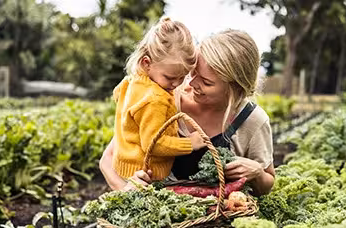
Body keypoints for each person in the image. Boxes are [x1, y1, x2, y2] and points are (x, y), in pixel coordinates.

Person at [100, 29, 275, 197]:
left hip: (216, 221)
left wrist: (257, 173)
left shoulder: (252, 121)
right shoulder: (165, 96)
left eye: (206, 82)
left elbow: (267, 183)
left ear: (235, 87)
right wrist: (126, 191)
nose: (190, 84)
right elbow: (107, 159)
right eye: (192, 73)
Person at [109, 17, 206, 190]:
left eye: (182, 77)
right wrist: (191, 143)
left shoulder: (133, 82)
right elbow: (154, 144)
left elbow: (119, 97)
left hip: (126, 164)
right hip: (147, 173)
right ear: (147, 63)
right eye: (170, 77)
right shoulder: (155, 98)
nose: (177, 84)